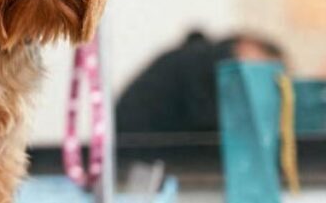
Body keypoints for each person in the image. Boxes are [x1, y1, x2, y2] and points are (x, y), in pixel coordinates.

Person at [115, 29, 284, 137]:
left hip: (133, 149)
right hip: (139, 152)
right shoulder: (209, 65)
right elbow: (210, 124)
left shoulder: (197, 58)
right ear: (247, 46)